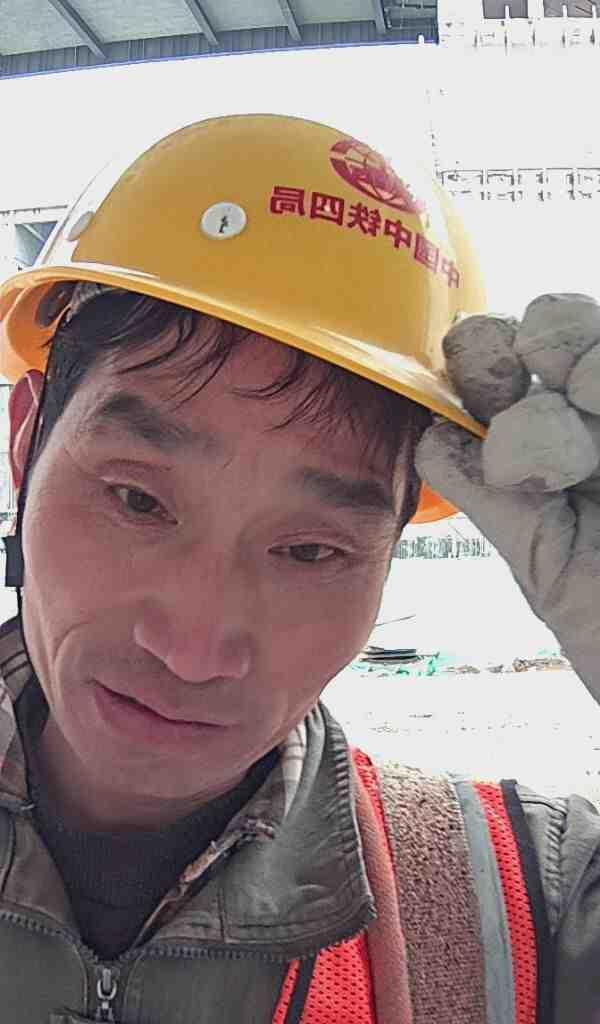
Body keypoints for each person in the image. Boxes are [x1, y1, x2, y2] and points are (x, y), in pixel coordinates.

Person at [0, 113, 598, 1023]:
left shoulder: (533, 911)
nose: (194, 649)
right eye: (136, 499)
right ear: (24, 444)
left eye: (311, 550)